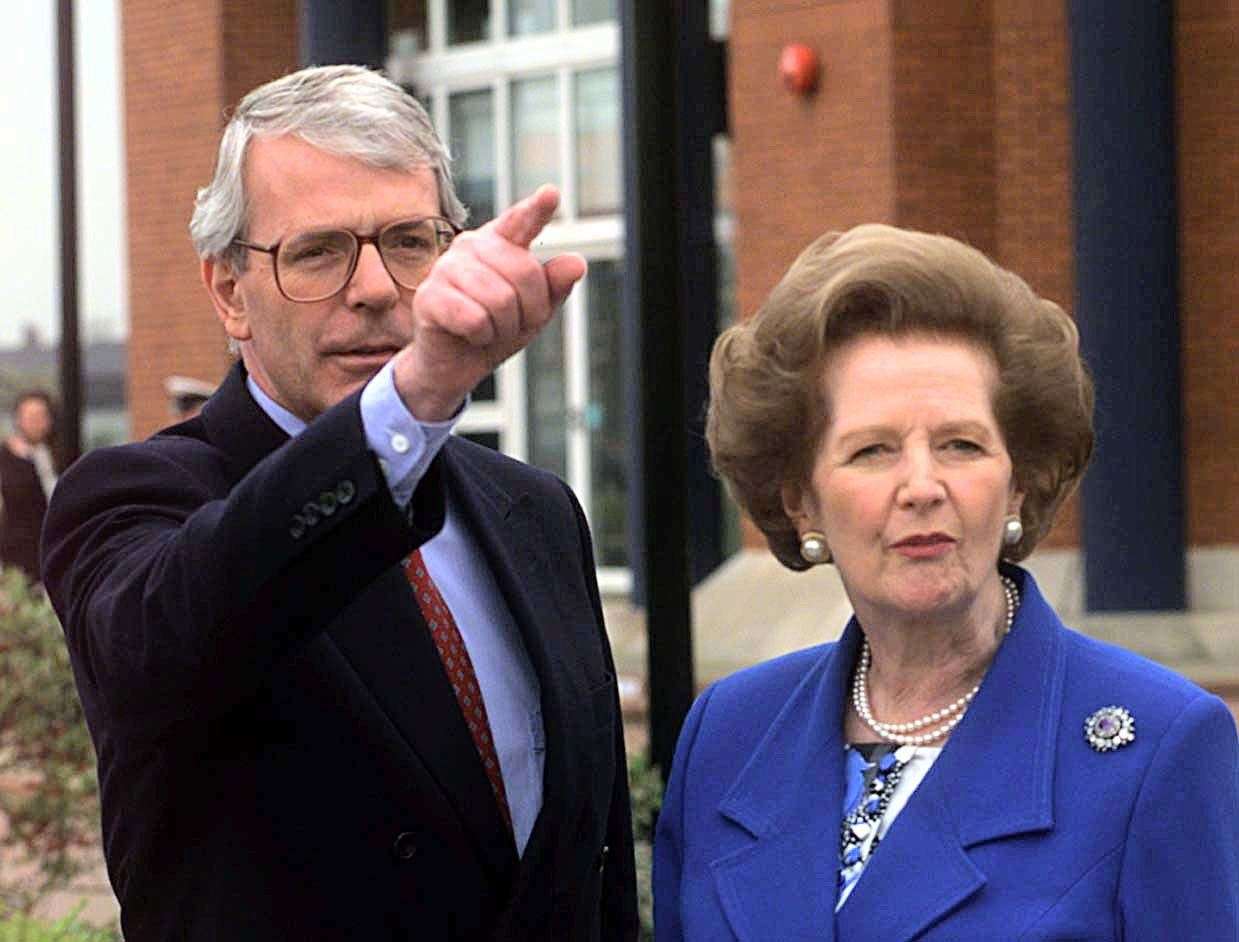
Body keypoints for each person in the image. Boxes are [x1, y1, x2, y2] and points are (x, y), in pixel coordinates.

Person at [42, 65, 637, 940]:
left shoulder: (536, 512)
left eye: (408, 241)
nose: (373, 288)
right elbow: (173, 638)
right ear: (228, 292)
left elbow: (594, 870)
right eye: (316, 252)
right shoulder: (136, 498)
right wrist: (414, 396)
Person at [653, 224, 1238, 940]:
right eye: (872, 451)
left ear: (1017, 484)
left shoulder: (1157, 744)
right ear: (799, 500)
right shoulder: (730, 731)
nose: (922, 486)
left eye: (960, 445)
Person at [0, 390, 58, 580]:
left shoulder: (57, 453)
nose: (38, 422)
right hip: (19, 556)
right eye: (31, 417)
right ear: (18, 420)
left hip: (54, 550)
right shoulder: (7, 458)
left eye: (42, 416)